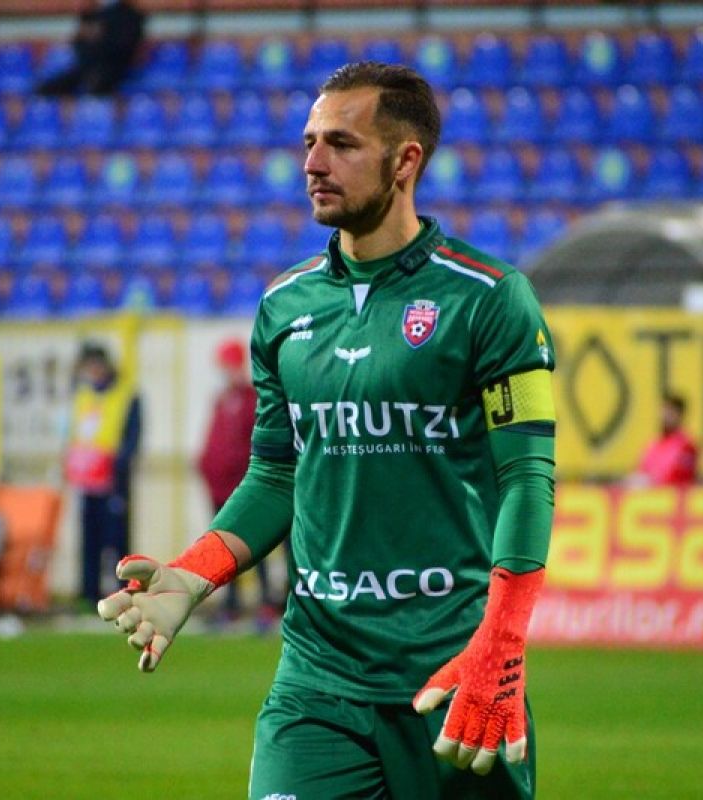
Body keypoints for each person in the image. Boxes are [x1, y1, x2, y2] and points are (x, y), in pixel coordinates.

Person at [99, 62, 558, 798]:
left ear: (405, 160)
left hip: (453, 673)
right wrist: (191, 576)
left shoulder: (492, 299)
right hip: (317, 681)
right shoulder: (284, 306)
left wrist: (502, 642)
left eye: (341, 144)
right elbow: (276, 474)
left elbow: (527, 479)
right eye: (309, 142)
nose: (313, 163)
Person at [196, 337, 281, 630]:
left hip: (242, 487)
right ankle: (230, 603)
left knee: (255, 547)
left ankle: (266, 602)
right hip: (218, 486)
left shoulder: (251, 399)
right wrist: (206, 466)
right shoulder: (221, 400)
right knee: (224, 548)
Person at [64, 343, 142, 609]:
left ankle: (123, 593)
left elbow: (132, 439)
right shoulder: (83, 396)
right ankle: (89, 594)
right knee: (89, 539)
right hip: (88, 482)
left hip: (114, 481)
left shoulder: (126, 396)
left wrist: (116, 464)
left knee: (117, 540)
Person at [36, 0, 145, 96]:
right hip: (86, 66)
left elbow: (123, 48)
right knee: (46, 89)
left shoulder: (130, 15)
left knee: (95, 85)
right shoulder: (91, 15)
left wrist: (100, 37)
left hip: (114, 68)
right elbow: (79, 45)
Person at [635, 393, 699, 486]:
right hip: (650, 493)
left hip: (670, 493)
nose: (666, 416)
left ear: (680, 415)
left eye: (671, 413)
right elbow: (642, 470)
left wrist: (651, 481)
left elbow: (680, 479)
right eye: (664, 411)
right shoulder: (654, 443)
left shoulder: (687, 446)